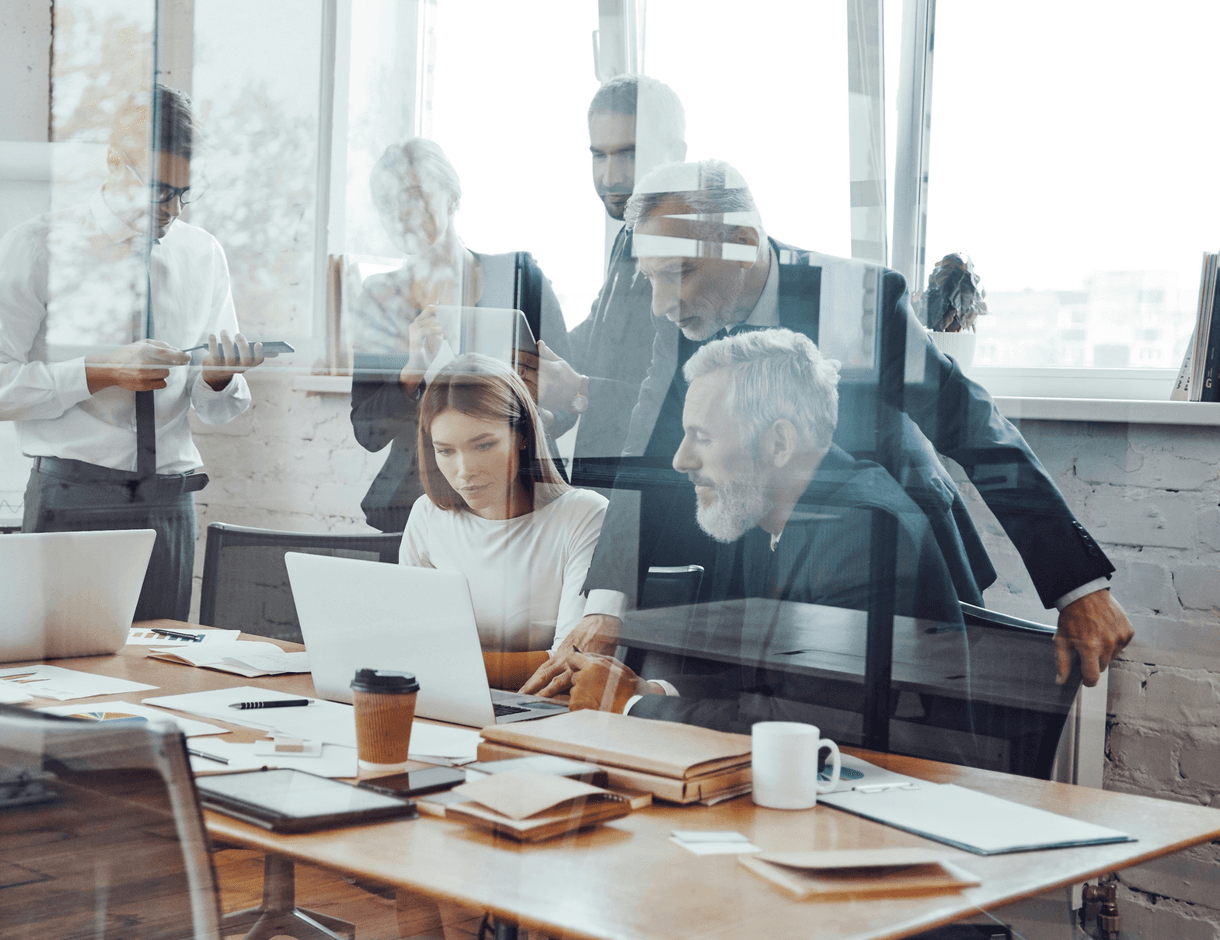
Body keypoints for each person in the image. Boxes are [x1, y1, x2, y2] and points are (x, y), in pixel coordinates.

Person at [526, 158, 1132, 697]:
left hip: (888, 559)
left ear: (743, 242)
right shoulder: (680, 317)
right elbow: (650, 440)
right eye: (651, 277)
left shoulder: (853, 301)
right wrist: (607, 603)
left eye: (678, 272)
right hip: (766, 562)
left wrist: (1078, 585)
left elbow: (968, 421)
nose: (661, 303)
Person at [552, 330, 969, 749]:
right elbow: (765, 683)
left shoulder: (864, 535)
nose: (680, 460)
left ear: (779, 443)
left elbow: (813, 719)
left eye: (702, 437)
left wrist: (630, 706)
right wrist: (651, 690)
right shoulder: (773, 510)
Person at [0, 84, 264, 622]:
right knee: (60, 670)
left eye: (185, 192)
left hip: (170, 504)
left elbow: (215, 409)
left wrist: (217, 379)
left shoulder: (202, 254)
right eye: (159, 190)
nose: (173, 209)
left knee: (161, 667)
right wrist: (102, 371)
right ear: (113, 164)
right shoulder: (38, 247)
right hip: (74, 499)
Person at [350, 138, 568, 533]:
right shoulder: (379, 298)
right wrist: (412, 372)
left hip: (516, 500)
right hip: (416, 504)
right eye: (386, 204)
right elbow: (367, 432)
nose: (400, 215)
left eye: (413, 196)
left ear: (451, 196)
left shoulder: (520, 278)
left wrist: (521, 411)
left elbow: (567, 401)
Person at [401, 354, 608, 692]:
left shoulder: (583, 515)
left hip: (541, 707)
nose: (465, 471)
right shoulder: (427, 515)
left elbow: (572, 665)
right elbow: (411, 639)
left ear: (523, 434)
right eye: (446, 451)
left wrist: (437, 664)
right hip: (443, 700)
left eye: (484, 445)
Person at [533, 75, 688, 470]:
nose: (610, 176)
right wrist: (537, 373)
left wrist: (579, 390)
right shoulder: (629, 234)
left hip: (651, 482)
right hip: (602, 476)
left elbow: (678, 401)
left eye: (628, 155)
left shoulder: (692, 252)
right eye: (599, 155)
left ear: (675, 153)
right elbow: (601, 337)